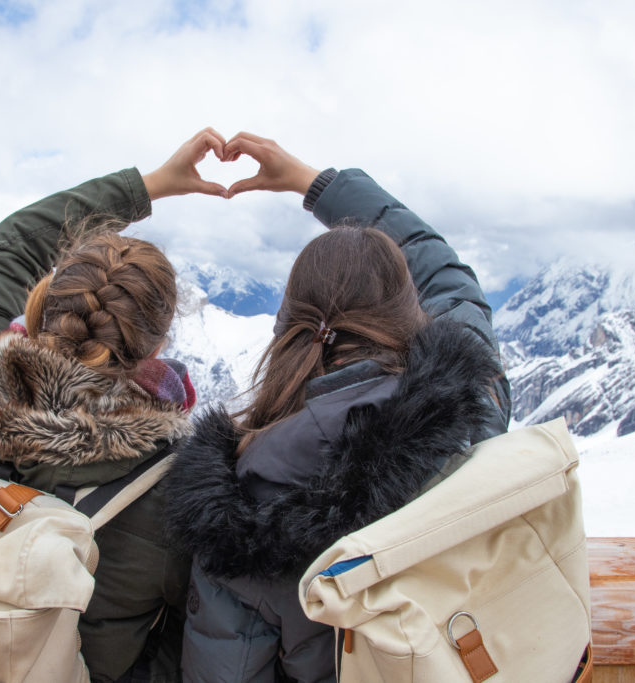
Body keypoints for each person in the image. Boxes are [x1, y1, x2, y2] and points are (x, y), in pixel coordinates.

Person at [164, 132, 512, 682]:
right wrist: (311, 181)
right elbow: (445, 271)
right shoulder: (471, 408)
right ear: (409, 311)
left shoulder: (237, 509)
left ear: (286, 329)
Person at [0, 128, 233, 683]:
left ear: (41, 302)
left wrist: (152, 184)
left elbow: (8, 246)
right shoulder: (183, 489)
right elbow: (186, 642)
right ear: (157, 346)